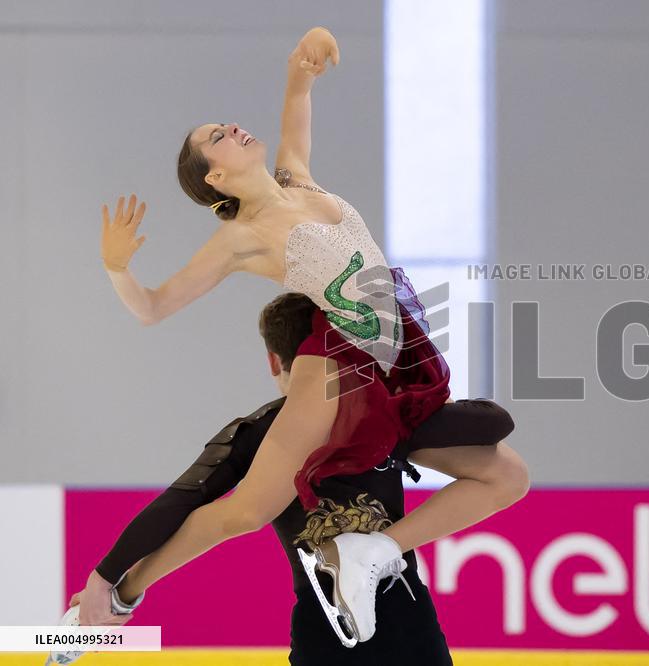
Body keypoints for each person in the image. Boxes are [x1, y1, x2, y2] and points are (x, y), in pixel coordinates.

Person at [98, 26, 529, 645]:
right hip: (337, 364)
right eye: (217, 137)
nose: (233, 129)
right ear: (213, 177)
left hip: (394, 359)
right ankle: (122, 593)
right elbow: (152, 307)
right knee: (248, 510)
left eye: (226, 124)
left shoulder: (297, 178)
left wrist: (307, 55)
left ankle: (372, 552)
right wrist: (118, 269)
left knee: (507, 476)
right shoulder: (239, 238)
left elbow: (299, 95)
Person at [55, 292, 516, 666]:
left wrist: (113, 581)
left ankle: (115, 602)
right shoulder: (381, 416)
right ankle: (379, 549)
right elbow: (494, 429)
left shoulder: (260, 433)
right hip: (410, 623)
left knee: (232, 516)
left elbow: (183, 503)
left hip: (327, 630)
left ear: (273, 361)